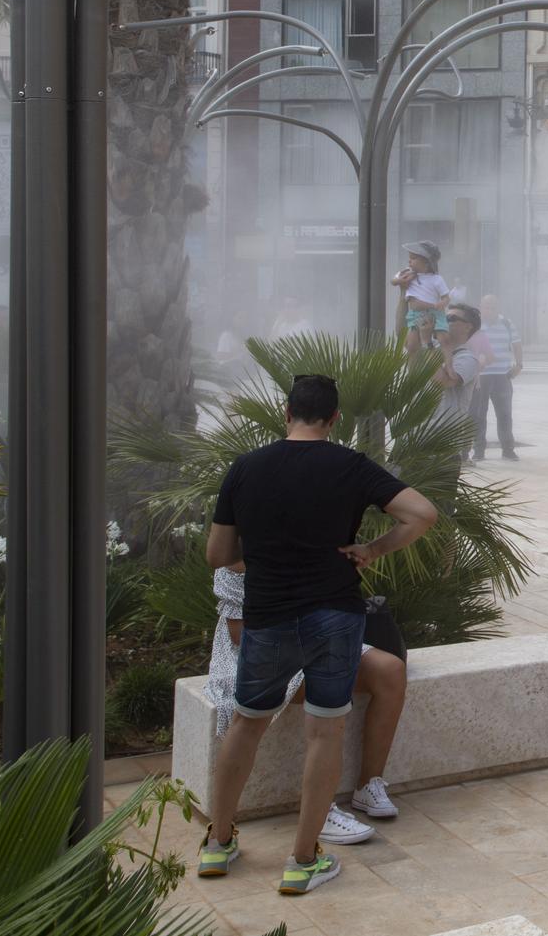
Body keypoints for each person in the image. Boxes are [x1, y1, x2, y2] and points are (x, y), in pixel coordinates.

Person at [197, 374, 438, 897]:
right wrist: (371, 550)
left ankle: (217, 844)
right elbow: (422, 513)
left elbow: (217, 556)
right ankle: (301, 860)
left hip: (268, 616)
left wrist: (260, 558)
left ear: (287, 412)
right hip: (335, 614)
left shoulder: (247, 468)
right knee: (324, 731)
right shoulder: (352, 466)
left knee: (246, 723)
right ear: (333, 420)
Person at [204, 564, 407, 844]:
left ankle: (368, 785)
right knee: (329, 690)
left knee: (390, 670)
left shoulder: (311, 540)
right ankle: (320, 813)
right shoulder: (240, 560)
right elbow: (241, 634)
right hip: (263, 653)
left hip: (320, 640)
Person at [470, 295, 522, 461]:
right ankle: (479, 450)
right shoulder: (475, 325)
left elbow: (516, 344)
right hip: (481, 376)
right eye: (486, 306)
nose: (489, 310)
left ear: (498, 308)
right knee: (479, 414)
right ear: (480, 307)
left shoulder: (506, 323)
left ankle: (508, 449)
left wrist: (519, 365)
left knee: (505, 414)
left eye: (493, 306)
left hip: (502, 375)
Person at [434, 305, 481, 459]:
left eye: (451, 319)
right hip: (412, 440)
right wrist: (404, 294)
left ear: (468, 327)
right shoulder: (432, 350)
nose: (444, 322)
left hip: (443, 446)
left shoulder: (467, 359)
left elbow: (444, 382)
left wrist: (428, 342)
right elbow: (402, 331)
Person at [391, 241, 449, 356]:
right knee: (411, 345)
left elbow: (446, 297)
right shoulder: (407, 273)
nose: (409, 261)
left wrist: (440, 304)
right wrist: (402, 284)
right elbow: (393, 281)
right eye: (409, 258)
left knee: (442, 340)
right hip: (415, 315)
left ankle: (448, 364)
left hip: (432, 315)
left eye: (414, 258)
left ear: (427, 263)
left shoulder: (436, 279)